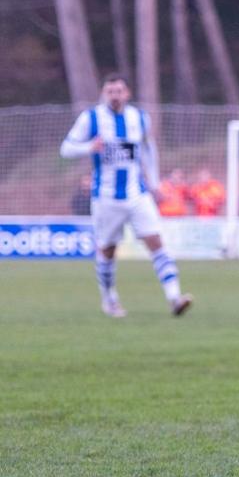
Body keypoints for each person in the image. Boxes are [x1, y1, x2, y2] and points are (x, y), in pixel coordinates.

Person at [60, 74, 194, 318]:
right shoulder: (91, 118)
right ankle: (109, 299)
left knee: (155, 241)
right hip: (105, 197)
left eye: (118, 91)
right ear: (103, 93)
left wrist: (155, 184)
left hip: (137, 194)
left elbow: (147, 149)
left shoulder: (139, 118)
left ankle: (175, 297)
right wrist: (88, 147)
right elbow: (66, 148)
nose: (114, 95)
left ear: (127, 93)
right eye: (110, 91)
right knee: (107, 250)